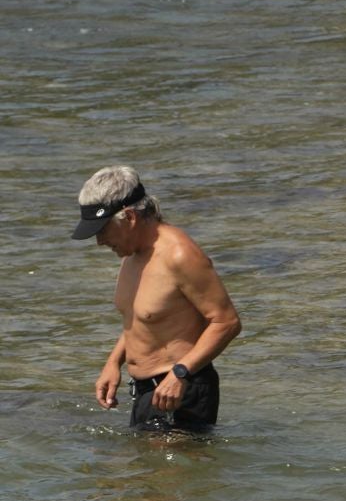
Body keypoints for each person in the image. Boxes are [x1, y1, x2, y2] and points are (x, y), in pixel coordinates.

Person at [72, 165, 241, 433]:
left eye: (102, 230)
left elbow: (226, 322)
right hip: (147, 391)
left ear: (128, 217)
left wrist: (180, 373)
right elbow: (142, 319)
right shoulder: (132, 254)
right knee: (136, 474)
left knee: (163, 476)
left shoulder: (180, 255)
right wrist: (114, 362)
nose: (99, 242)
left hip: (181, 391)